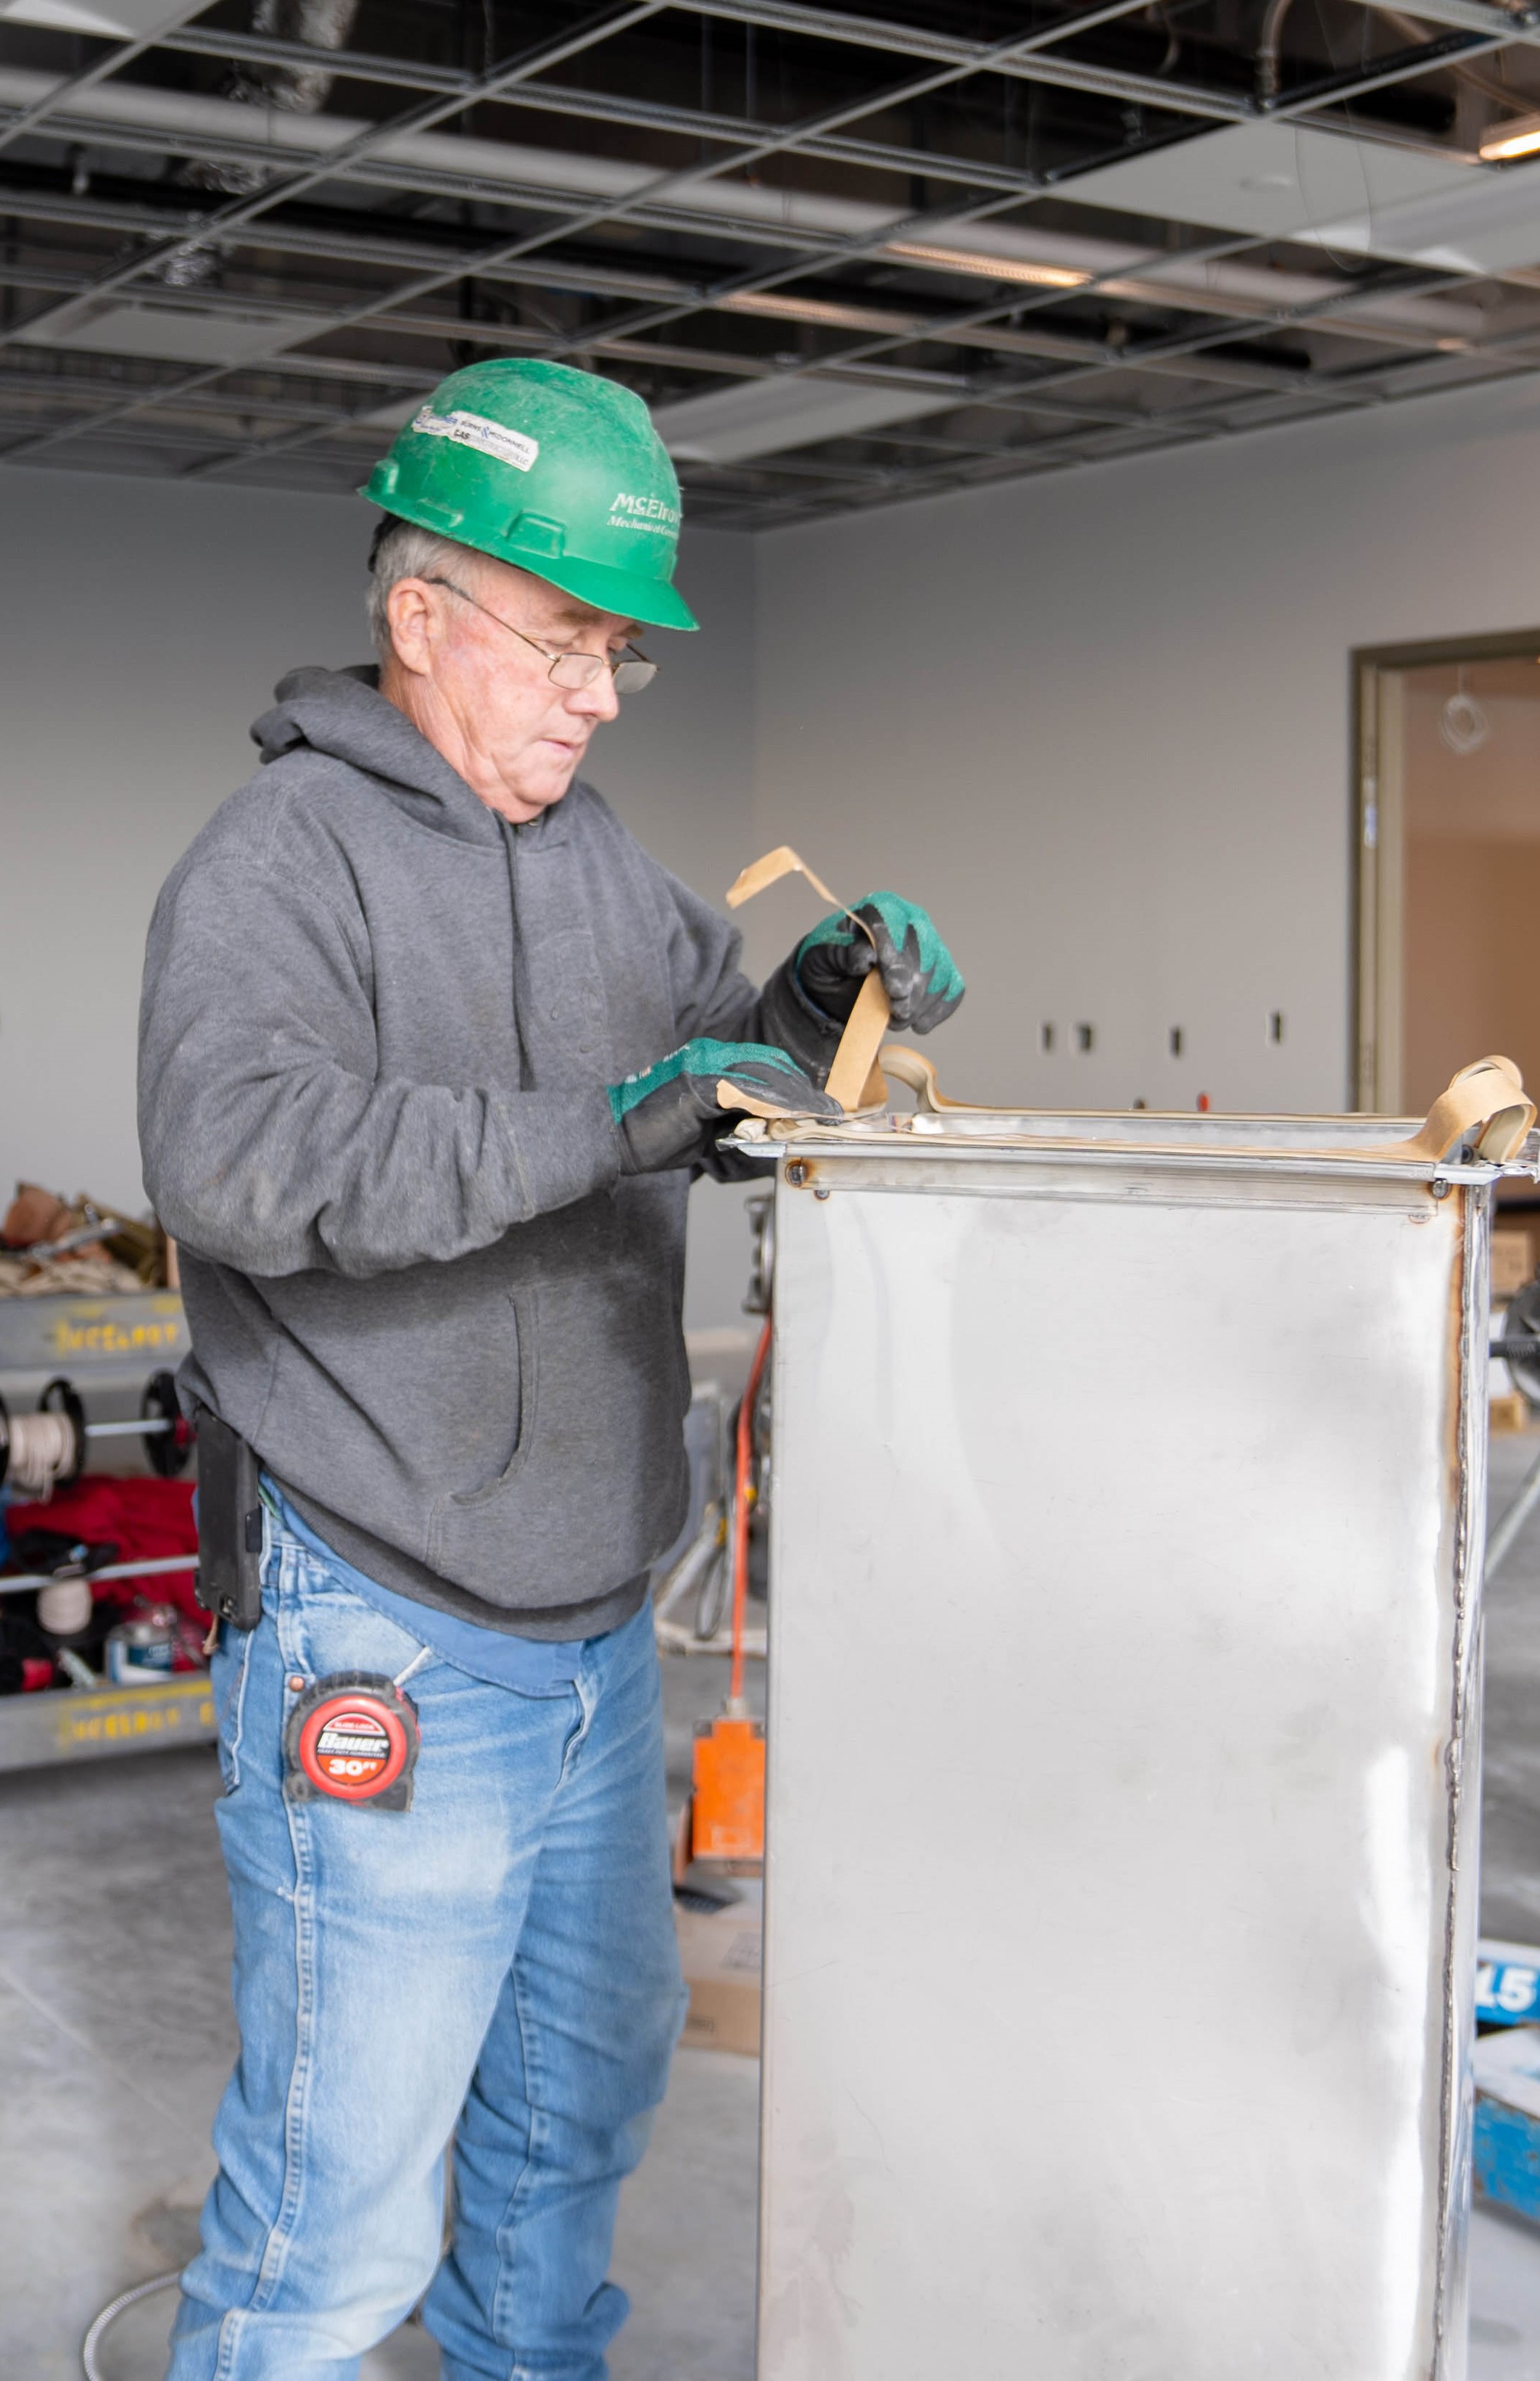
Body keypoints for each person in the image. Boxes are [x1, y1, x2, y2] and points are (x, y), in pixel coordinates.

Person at [138, 357, 963, 2381]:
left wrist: (824, 989)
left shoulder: (594, 860)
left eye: (622, 655)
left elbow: (716, 1050)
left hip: (597, 1639)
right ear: (421, 616)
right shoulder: (280, 862)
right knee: (338, 2219)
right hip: (385, 1624)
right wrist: (612, 1115)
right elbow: (245, 1159)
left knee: (567, 2134)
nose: (600, 691)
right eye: (570, 639)